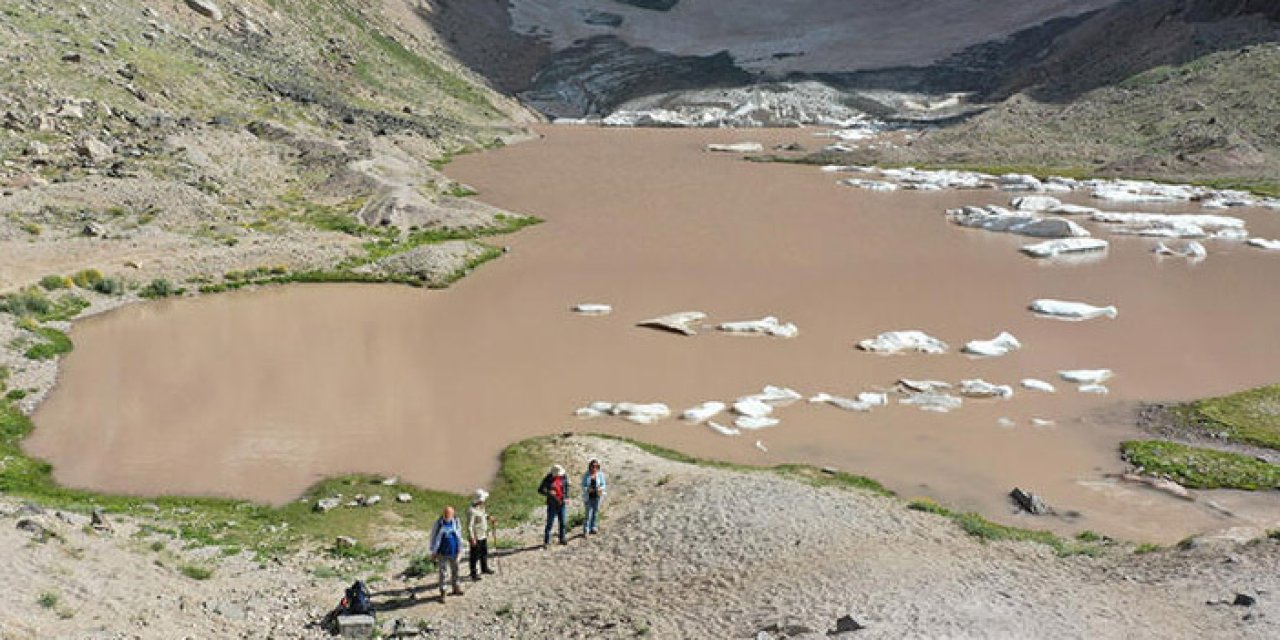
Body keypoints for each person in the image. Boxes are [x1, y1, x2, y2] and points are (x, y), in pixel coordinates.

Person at [428, 506, 465, 601]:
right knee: (443, 573)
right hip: (442, 553)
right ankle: (443, 592)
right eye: (446, 513)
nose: (447, 515)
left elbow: (459, 535)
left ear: (453, 514)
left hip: (454, 551)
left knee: (456, 570)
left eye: (449, 514)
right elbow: (433, 537)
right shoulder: (439, 523)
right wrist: (433, 551)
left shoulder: (456, 522)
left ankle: (456, 587)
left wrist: (461, 549)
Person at [537, 464, 569, 547]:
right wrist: (548, 493)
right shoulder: (548, 478)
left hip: (562, 502)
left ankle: (562, 538)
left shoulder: (564, 477)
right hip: (552, 504)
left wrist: (566, 497)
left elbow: (566, 487)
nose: (559, 475)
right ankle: (547, 541)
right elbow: (540, 490)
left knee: (563, 522)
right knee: (549, 523)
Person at [466, 489, 495, 581]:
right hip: (476, 536)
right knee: (474, 556)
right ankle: (473, 573)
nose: (484, 501)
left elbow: (483, 514)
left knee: (484, 552)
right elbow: (469, 526)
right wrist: (472, 538)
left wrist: (489, 517)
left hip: (483, 534)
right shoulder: (471, 511)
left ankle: (484, 568)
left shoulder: (481, 507)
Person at [581, 459, 607, 535]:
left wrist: (600, 488)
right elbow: (583, 485)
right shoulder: (586, 475)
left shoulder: (600, 474)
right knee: (588, 513)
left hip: (597, 495)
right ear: (590, 466)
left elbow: (603, 484)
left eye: (596, 466)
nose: (594, 468)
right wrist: (587, 489)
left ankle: (594, 527)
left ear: (598, 467)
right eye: (593, 466)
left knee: (595, 512)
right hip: (588, 496)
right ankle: (586, 530)